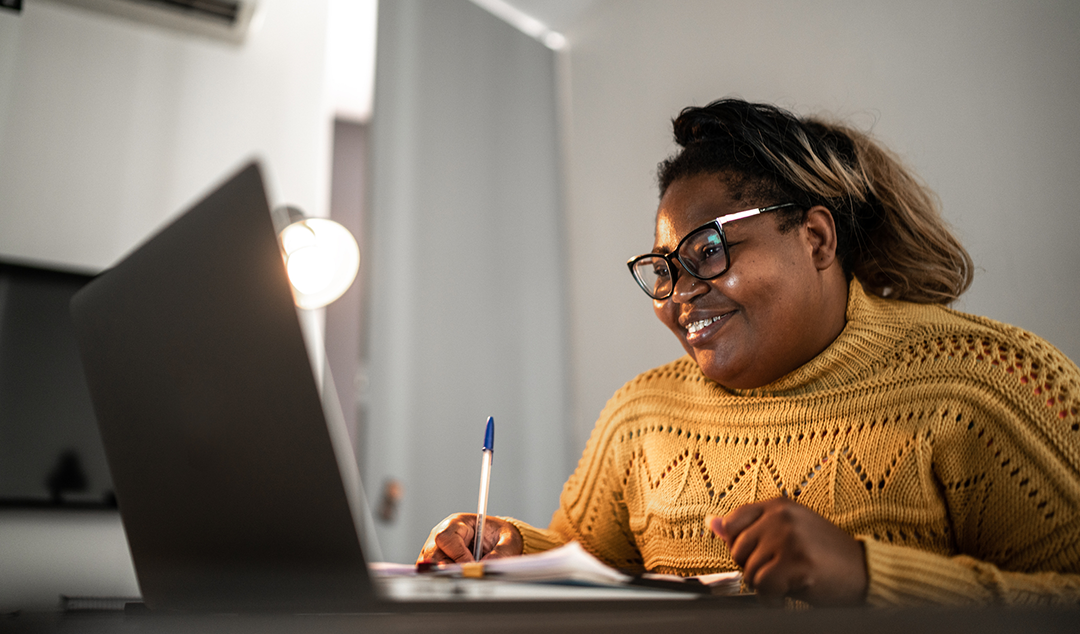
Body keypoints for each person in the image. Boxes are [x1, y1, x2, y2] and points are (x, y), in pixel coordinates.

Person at [418, 98, 1080, 606]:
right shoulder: (641, 415)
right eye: (664, 267)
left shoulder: (988, 385)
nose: (678, 295)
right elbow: (583, 567)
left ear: (817, 240)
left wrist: (867, 576)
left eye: (708, 251)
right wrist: (502, 552)